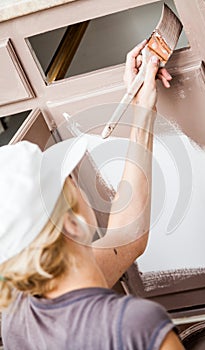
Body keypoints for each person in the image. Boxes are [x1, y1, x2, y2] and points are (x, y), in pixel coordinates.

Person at [0, 40, 184, 349]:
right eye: (71, 181)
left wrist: (141, 109)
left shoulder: (18, 319)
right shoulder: (135, 325)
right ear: (71, 223)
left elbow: (128, 238)